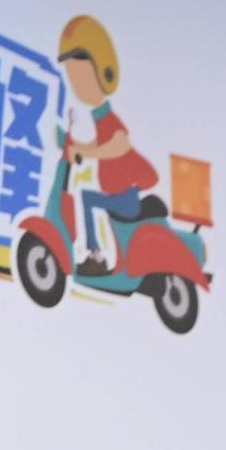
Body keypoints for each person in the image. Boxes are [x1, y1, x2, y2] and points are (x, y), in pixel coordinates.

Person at [55, 17, 158, 273]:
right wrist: (75, 146)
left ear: (103, 71)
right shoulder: (100, 119)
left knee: (87, 199)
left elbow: (119, 145)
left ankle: (96, 255)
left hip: (125, 199)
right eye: (72, 76)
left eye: (80, 75)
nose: (77, 84)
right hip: (119, 196)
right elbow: (98, 143)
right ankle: (97, 254)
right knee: (88, 198)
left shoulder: (110, 119)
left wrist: (86, 152)